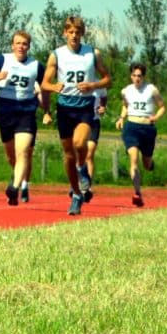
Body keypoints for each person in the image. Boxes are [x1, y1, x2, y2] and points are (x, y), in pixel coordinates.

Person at [42, 15, 109, 217]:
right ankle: (77, 194)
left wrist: (93, 85)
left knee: (80, 144)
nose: (74, 36)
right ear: (65, 33)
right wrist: (53, 87)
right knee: (68, 156)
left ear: (83, 33)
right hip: (64, 108)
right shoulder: (56, 55)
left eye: (77, 32)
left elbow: (108, 79)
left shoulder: (92, 53)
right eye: (70, 32)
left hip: (85, 107)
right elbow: (44, 83)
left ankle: (82, 168)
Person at [0, 30, 43, 206]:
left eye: (24, 44)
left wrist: (46, 110)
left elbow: (45, 86)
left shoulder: (36, 65)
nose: (21, 47)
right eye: (18, 43)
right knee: (11, 156)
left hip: (26, 111)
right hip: (6, 111)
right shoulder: (3, 60)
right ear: (12, 45)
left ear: (28, 47)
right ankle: (16, 178)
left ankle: (14, 187)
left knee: (23, 152)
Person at [117, 62, 166, 207]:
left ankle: (150, 164)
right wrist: (121, 118)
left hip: (147, 128)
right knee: (134, 159)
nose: (137, 78)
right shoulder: (126, 91)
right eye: (134, 75)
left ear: (143, 77)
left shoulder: (151, 89)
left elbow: (162, 107)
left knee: (146, 163)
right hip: (131, 127)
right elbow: (125, 106)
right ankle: (137, 192)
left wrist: (155, 117)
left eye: (139, 76)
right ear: (131, 76)